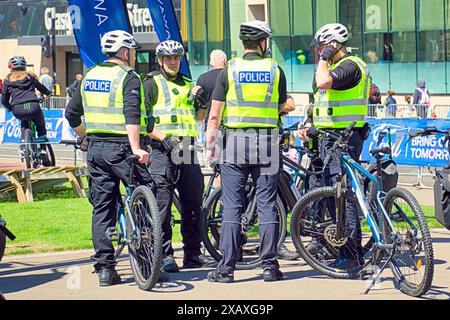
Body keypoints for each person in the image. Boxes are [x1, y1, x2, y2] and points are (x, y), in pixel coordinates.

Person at [64, 30, 164, 286]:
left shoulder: (89, 75)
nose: (133, 56)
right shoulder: (128, 77)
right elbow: (132, 114)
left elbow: (71, 113)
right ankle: (151, 261)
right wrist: (136, 148)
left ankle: (106, 270)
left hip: (96, 149)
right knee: (147, 192)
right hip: (122, 148)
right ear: (124, 52)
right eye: (131, 51)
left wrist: (84, 137)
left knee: (102, 208)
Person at [206, 20, 288, 283]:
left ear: (244, 43)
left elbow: (214, 114)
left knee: (231, 206)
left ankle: (226, 269)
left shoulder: (228, 70)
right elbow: (281, 105)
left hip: (235, 143)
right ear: (263, 43)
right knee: (266, 205)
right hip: (266, 142)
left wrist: (211, 145)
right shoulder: (275, 70)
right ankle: (269, 266)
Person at [300, 23, 371, 269]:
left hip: (345, 139)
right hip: (326, 139)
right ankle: (336, 246)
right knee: (330, 195)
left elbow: (322, 83)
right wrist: (308, 122)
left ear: (333, 45)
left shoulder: (351, 66)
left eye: (322, 46)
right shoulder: (332, 67)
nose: (318, 52)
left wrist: (325, 57)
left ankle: (352, 256)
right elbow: (317, 101)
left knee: (344, 197)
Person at [143, 39, 216, 273]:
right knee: (162, 206)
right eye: (169, 58)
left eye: (177, 58)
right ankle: (164, 254)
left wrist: (202, 103)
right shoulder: (151, 83)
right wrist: (162, 138)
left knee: (193, 205)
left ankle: (193, 255)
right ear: (160, 60)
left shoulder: (187, 83)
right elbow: (143, 121)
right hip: (162, 150)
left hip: (187, 148)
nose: (173, 61)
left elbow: (199, 118)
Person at [1, 56, 52, 166]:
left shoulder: (8, 80)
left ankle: (24, 143)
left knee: (24, 120)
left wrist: (10, 107)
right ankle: (43, 149)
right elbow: (40, 87)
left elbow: (4, 99)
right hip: (33, 106)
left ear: (11, 67)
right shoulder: (30, 77)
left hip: (17, 108)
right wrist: (48, 93)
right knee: (40, 126)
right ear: (24, 66)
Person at [196, 50, 227, 130]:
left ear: (211, 63)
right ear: (225, 61)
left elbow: (201, 110)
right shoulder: (231, 77)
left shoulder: (202, 79)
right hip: (229, 126)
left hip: (211, 127)